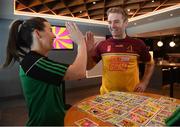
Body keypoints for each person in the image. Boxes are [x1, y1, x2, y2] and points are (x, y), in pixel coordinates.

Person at [1, 17, 87, 125]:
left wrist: (86, 51)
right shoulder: (33, 63)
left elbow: (77, 73)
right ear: (37, 33)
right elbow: (79, 72)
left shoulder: (36, 61)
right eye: (50, 30)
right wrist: (81, 43)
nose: (54, 35)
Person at [85, 7, 154, 94]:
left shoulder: (138, 43)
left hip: (132, 94)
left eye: (116, 22)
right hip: (107, 95)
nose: (112, 26)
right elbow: (88, 67)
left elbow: (150, 63)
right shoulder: (102, 45)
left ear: (126, 23)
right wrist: (88, 52)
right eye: (109, 22)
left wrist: (144, 82)